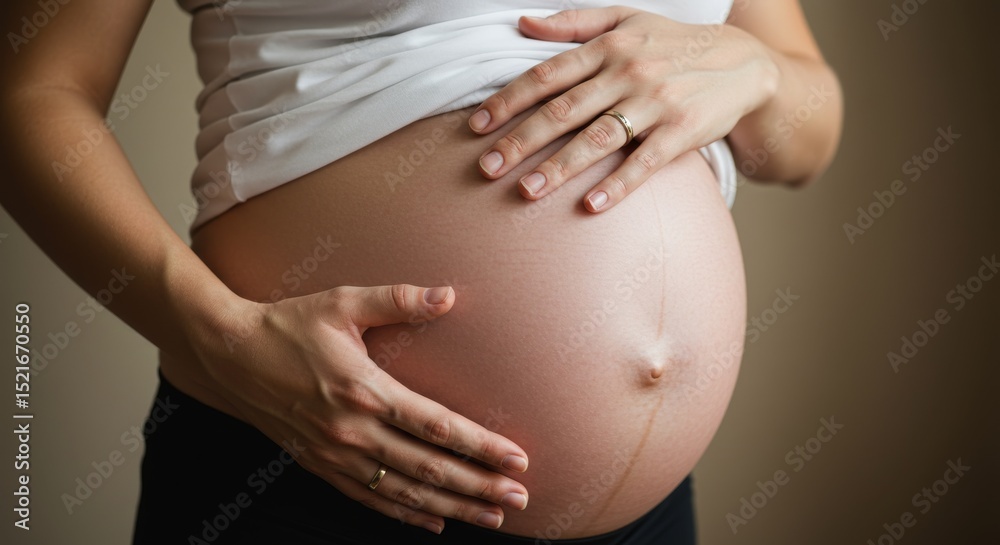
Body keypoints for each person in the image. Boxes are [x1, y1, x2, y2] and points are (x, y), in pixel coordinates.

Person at [0, 0, 841, 543]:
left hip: (643, 517)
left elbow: (807, 136)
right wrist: (220, 336)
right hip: (311, 454)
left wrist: (755, 67)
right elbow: (31, 92)